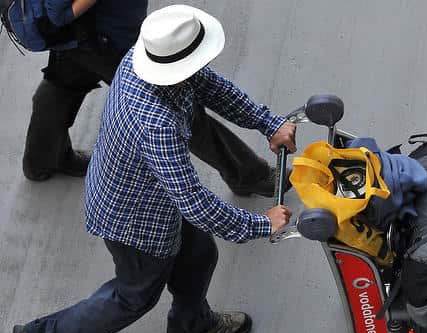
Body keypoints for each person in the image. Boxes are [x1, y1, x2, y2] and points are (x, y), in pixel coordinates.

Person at [11, 5, 295, 333]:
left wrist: (269, 123)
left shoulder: (142, 58)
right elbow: (194, 202)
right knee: (133, 297)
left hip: (153, 196)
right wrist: (263, 224)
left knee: (199, 257)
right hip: (134, 220)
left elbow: (214, 89)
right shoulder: (156, 122)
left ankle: (189, 325)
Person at [21, 0, 284, 197]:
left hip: (82, 39)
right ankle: (248, 175)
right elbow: (58, 13)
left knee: (59, 89)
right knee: (181, 111)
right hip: (105, 41)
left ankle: (42, 160)